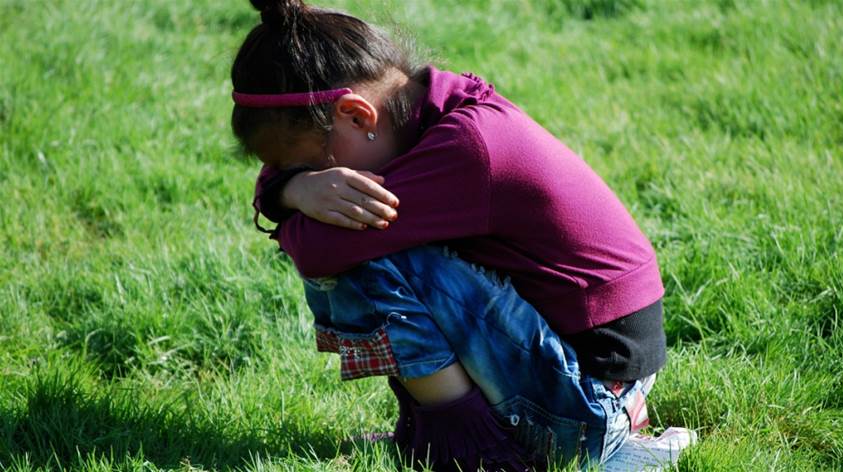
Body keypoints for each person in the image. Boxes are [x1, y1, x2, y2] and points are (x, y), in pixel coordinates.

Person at [231, 1, 667, 470]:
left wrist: (287, 197)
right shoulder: (430, 107)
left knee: (362, 254)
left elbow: (318, 251)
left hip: (590, 404)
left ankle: (475, 450)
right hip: (597, 383)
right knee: (365, 232)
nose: (320, 184)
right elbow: (285, 198)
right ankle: (450, 431)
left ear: (357, 117)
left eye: (311, 167)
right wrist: (294, 188)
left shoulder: (468, 149)